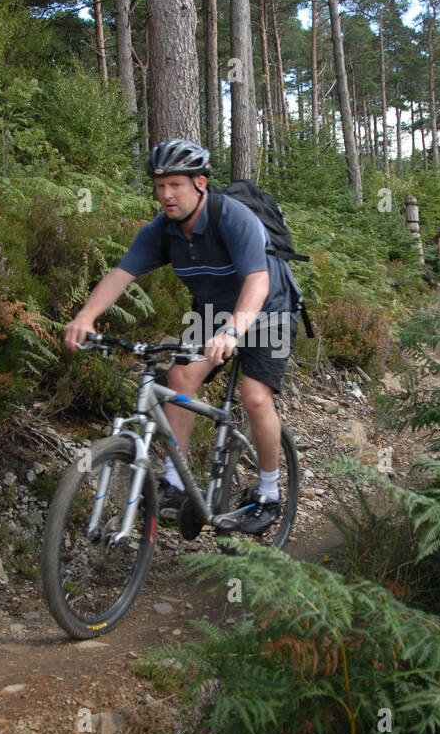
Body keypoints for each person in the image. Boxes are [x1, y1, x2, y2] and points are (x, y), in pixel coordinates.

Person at [63, 138, 299, 535]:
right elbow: (121, 276)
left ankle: (270, 493)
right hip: (211, 311)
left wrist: (232, 331)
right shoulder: (161, 231)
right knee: (179, 378)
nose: (166, 195)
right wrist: (86, 316)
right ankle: (176, 481)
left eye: (175, 184)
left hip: (269, 309)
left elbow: (257, 283)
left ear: (200, 183)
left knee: (255, 396)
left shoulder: (233, 218)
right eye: (159, 186)